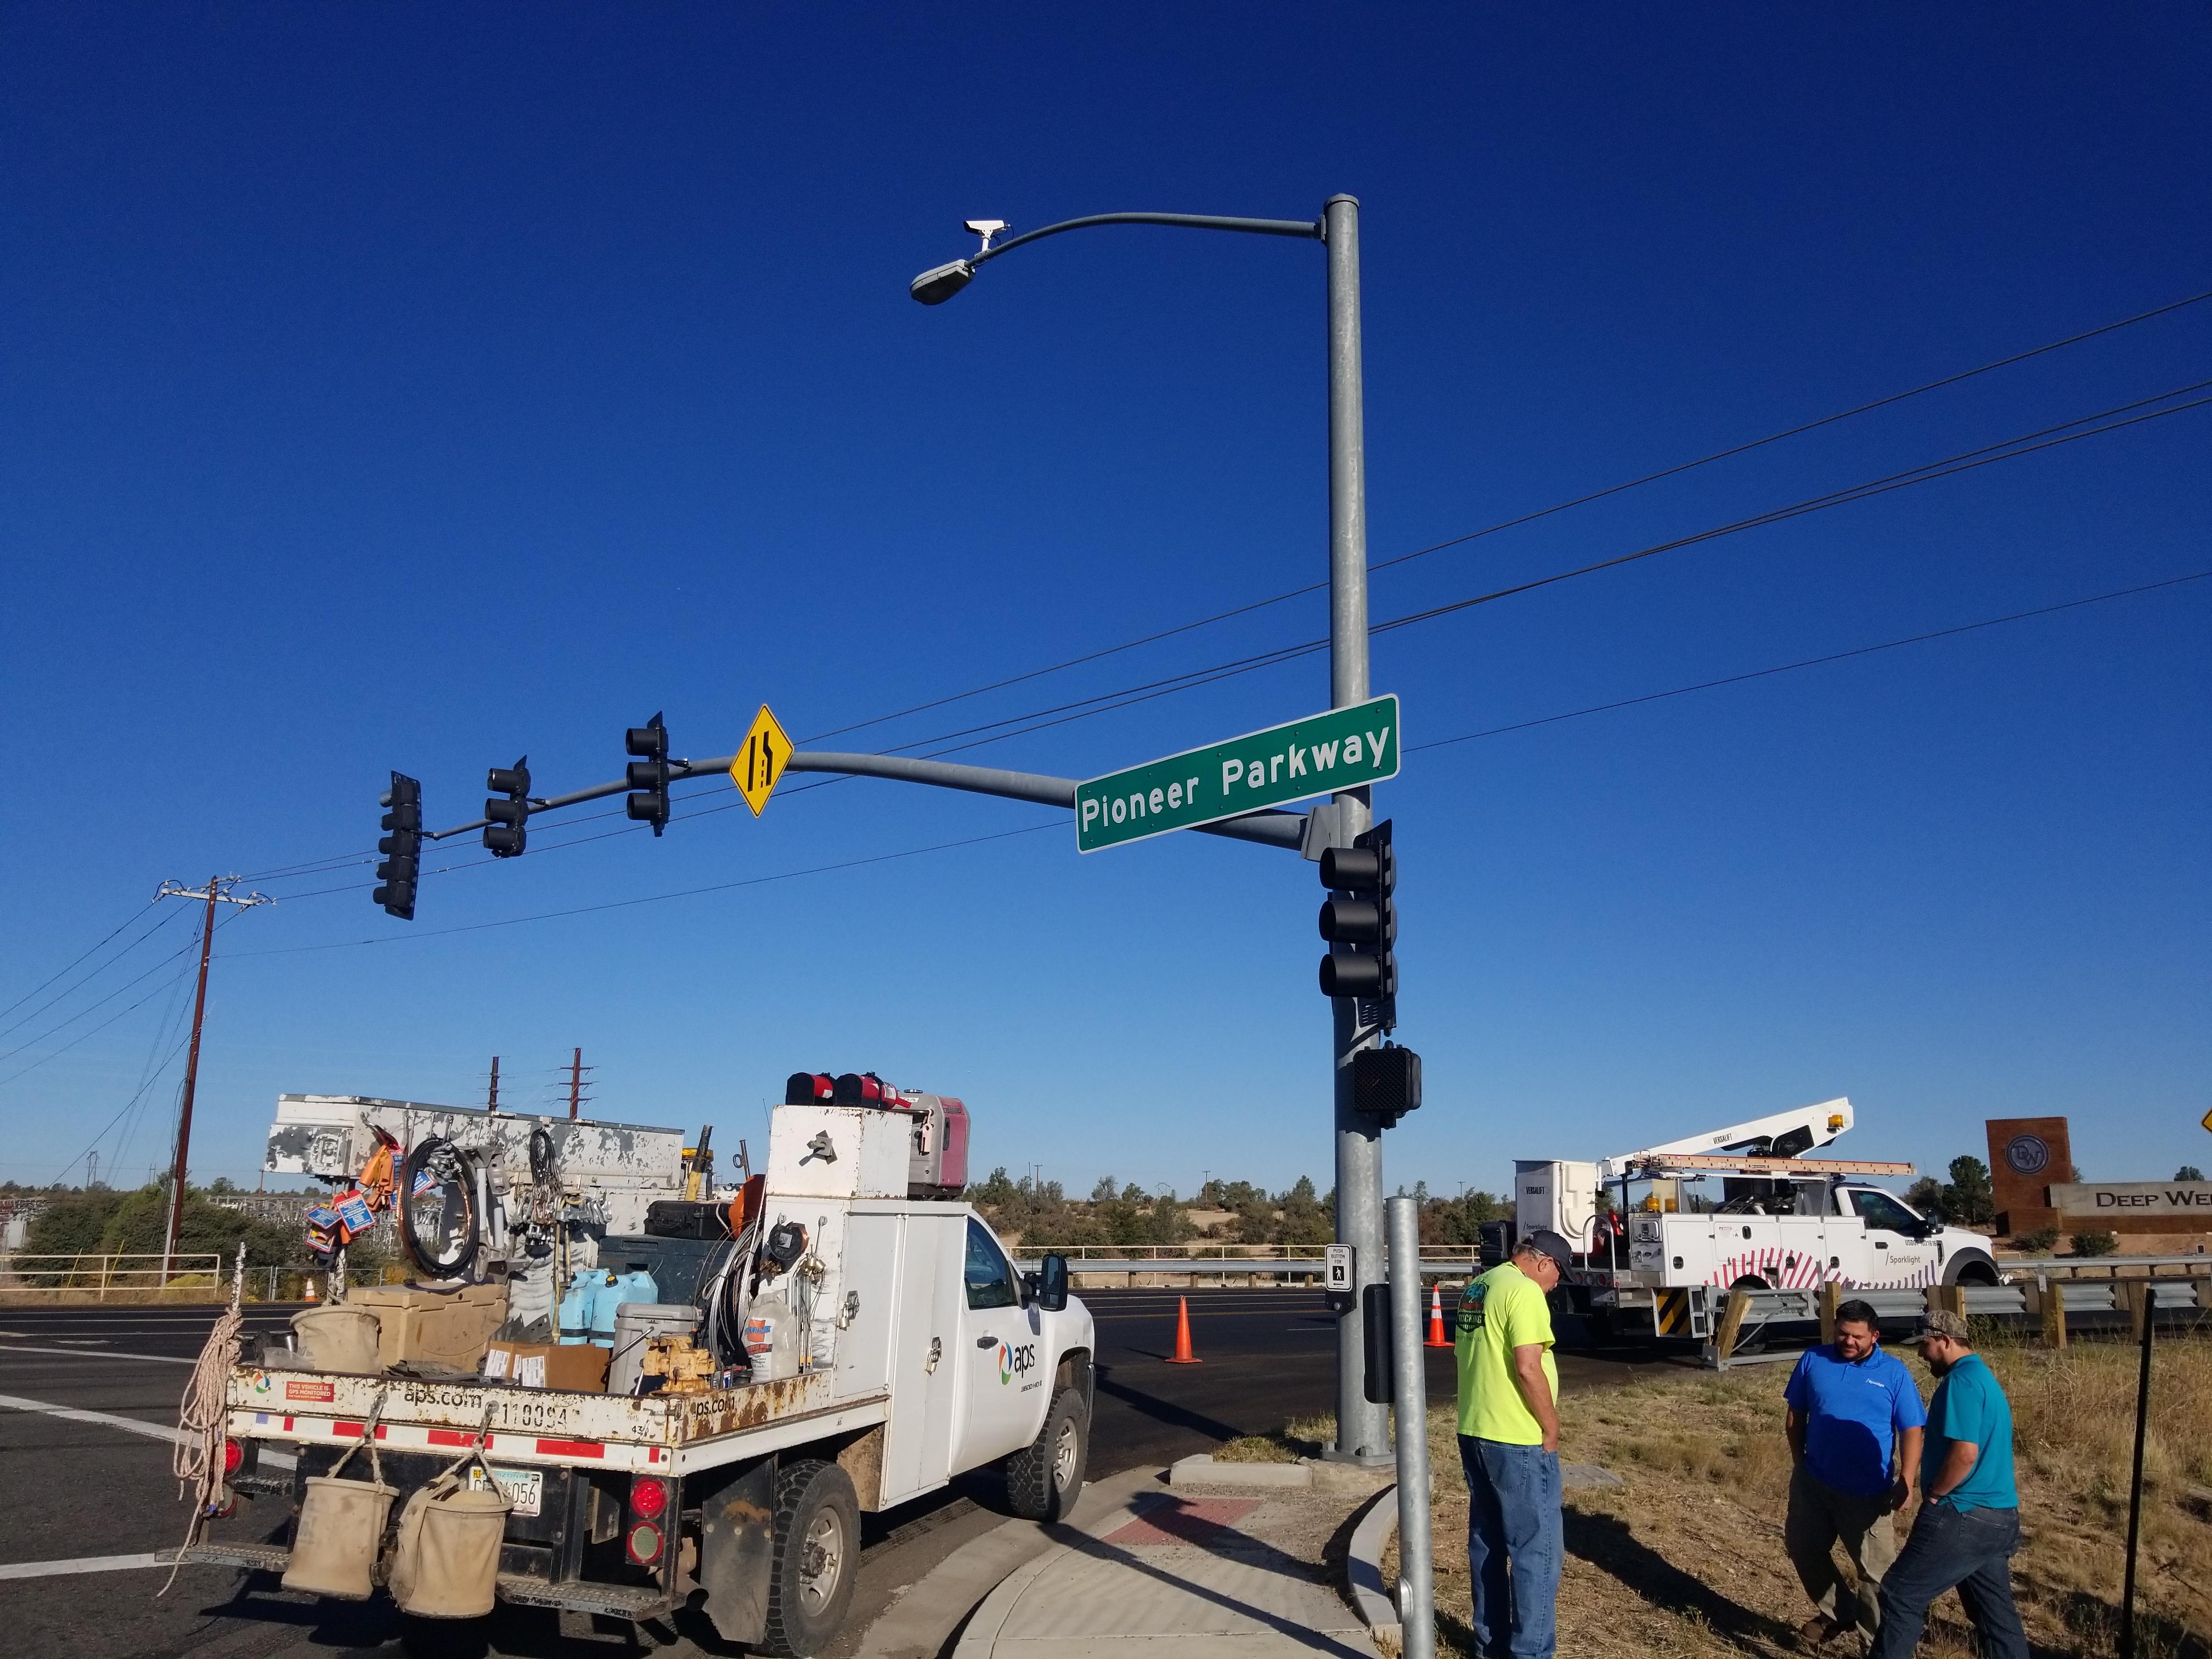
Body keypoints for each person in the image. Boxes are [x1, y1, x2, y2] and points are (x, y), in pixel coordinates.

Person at [1868, 1310, 2028, 1659]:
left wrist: (1936, 1495)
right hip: (2000, 1517)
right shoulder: (1982, 1377)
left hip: (1963, 1513)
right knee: (1994, 1617)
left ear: (1945, 1340)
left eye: (1924, 1344)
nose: (1921, 1353)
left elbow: (1966, 1453)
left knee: (1900, 1594)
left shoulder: (1962, 1382)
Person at [1455, 1228, 1572, 1659]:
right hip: (1517, 1437)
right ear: (1543, 1263)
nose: (1557, 1284)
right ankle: (1531, 1653)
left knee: (1487, 1543)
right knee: (1536, 1552)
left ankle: (1490, 1646)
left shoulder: (1481, 1287)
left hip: (1475, 1428)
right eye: (1559, 1274)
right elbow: (1528, 1366)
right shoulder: (1524, 1292)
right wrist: (1550, 1426)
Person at [1782, 1297, 1926, 1646]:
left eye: (1857, 1337)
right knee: (1803, 1549)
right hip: (1814, 1482)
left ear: (1874, 1336)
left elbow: (1911, 1429)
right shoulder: (1813, 1360)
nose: (1848, 1341)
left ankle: (1877, 1646)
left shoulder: (1893, 1373)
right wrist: (1800, 1463)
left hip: (1868, 1492)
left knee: (1876, 1574)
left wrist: (1907, 1479)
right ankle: (1841, 1612)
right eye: (1843, 1333)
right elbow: (1795, 1414)